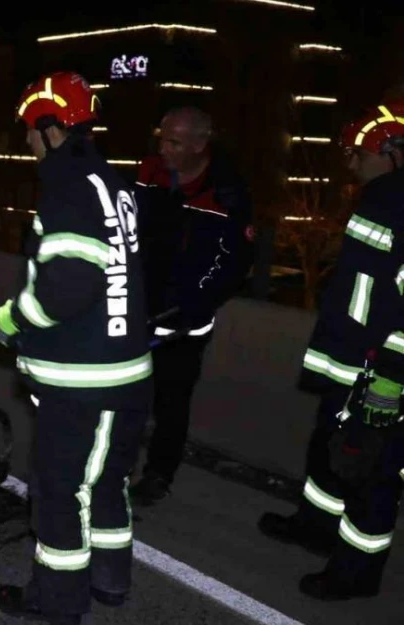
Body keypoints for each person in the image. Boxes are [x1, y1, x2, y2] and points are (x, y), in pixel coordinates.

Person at [0, 71, 153, 625]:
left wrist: (10, 320)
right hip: (126, 372)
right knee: (105, 483)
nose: (27, 144)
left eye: (29, 133)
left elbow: (67, 285)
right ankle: (110, 581)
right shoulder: (113, 182)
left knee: (60, 492)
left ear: (49, 126)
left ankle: (56, 602)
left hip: (83, 379)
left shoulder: (66, 185)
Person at [259, 103, 404, 600]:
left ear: (393, 152)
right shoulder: (381, 196)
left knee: (373, 471)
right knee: (328, 447)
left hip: (383, 370)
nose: (351, 163)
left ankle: (355, 574)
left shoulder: (396, 199)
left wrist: (390, 375)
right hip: (349, 358)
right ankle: (315, 525)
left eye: (359, 153)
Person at [128, 106, 255, 505]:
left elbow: (232, 263)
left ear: (201, 145)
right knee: (123, 394)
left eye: (175, 142)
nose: (163, 148)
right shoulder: (148, 173)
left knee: (171, 402)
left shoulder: (226, 193)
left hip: (184, 323)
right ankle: (115, 464)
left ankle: (158, 475)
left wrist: (191, 301)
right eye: (162, 138)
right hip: (135, 310)